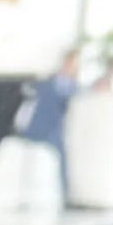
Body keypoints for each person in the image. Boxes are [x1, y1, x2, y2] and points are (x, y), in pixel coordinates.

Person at [21, 47, 78, 208]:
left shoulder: (73, 87)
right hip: (38, 128)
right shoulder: (46, 82)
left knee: (62, 159)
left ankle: (65, 196)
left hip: (54, 130)